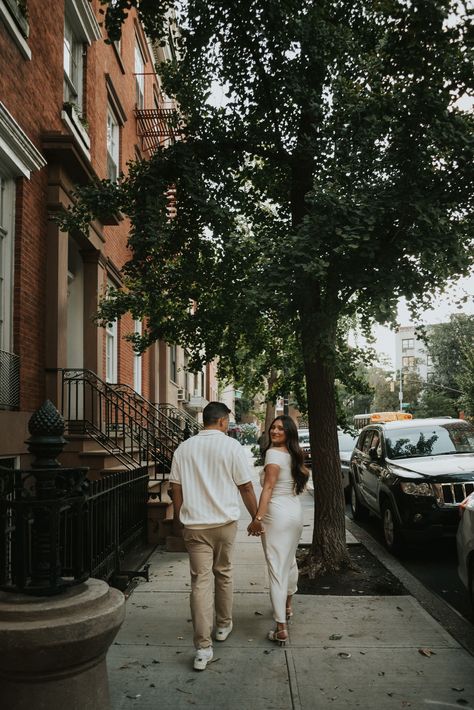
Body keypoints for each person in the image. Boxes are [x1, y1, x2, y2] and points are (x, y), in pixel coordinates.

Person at [169, 401, 263, 671]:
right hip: (224, 524)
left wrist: (178, 519)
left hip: (195, 526)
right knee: (224, 573)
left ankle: (202, 648)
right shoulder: (231, 446)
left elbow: (176, 488)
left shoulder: (184, 448)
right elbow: (245, 487)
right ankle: (222, 625)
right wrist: (256, 518)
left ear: (205, 420)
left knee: (200, 583)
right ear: (222, 421)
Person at [247, 415, 309, 646]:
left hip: (277, 516)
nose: (274, 431)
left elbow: (269, 488)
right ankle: (288, 606)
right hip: (294, 513)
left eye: (281, 429)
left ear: (289, 432)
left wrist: (258, 518)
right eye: (273, 427)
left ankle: (281, 627)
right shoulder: (294, 454)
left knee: (276, 568)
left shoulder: (273, 454)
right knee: (289, 562)